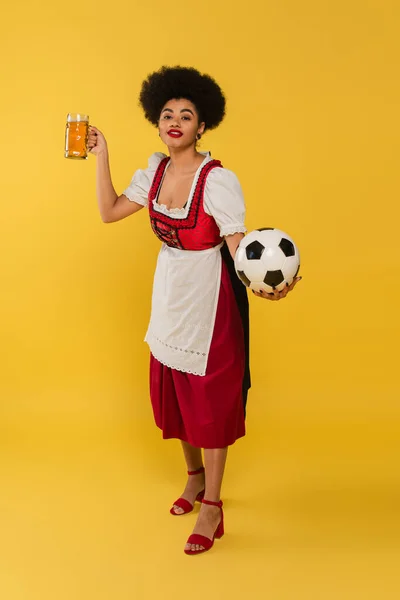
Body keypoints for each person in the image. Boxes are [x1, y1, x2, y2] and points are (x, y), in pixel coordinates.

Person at [88, 66, 301, 555]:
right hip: (169, 292)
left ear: (202, 126)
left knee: (209, 400)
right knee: (176, 392)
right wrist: (102, 156)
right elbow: (109, 211)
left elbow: (235, 243)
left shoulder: (218, 179)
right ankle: (193, 476)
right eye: (167, 115)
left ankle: (212, 504)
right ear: (158, 123)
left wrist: (266, 282)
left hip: (209, 296)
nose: (176, 121)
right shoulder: (155, 172)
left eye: (187, 115)